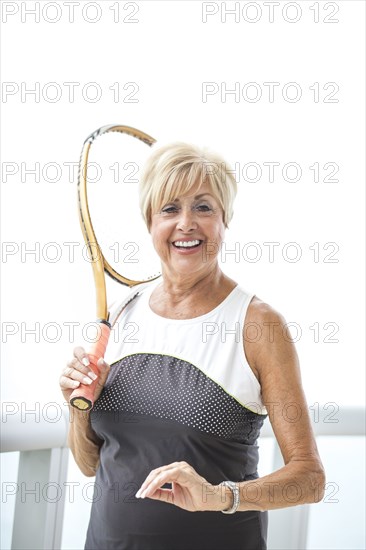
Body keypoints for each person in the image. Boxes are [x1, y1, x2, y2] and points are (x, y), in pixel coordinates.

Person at [60, 142, 325, 550]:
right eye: (170, 209)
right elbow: (90, 463)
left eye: (203, 207)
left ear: (225, 222)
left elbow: (309, 479)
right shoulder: (121, 314)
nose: (186, 223)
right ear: (150, 221)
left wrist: (220, 496)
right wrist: (79, 408)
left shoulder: (257, 325)